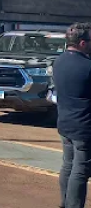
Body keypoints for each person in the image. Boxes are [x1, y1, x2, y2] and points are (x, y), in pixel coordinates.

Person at [54, 22, 91, 208]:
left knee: (68, 165)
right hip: (84, 127)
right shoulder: (87, 66)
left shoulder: (58, 62)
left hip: (65, 124)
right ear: (83, 43)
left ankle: (65, 203)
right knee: (81, 170)